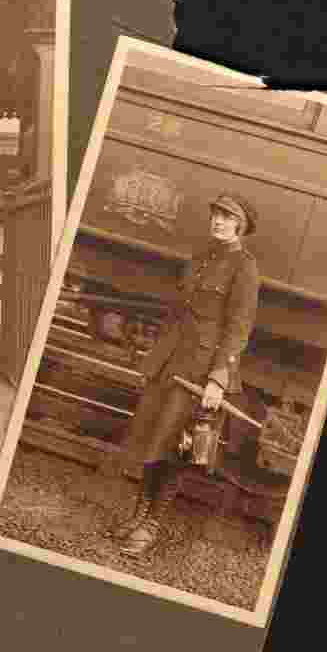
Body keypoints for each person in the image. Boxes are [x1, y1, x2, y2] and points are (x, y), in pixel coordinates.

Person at [104, 194, 261, 559]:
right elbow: (178, 313)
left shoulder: (244, 268)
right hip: (172, 361)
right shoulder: (203, 255)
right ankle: (138, 516)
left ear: (241, 226)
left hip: (200, 370)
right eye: (216, 214)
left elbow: (239, 329)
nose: (218, 221)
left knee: (176, 447)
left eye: (227, 217)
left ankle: (152, 525)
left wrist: (218, 379)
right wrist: (155, 358)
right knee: (152, 441)